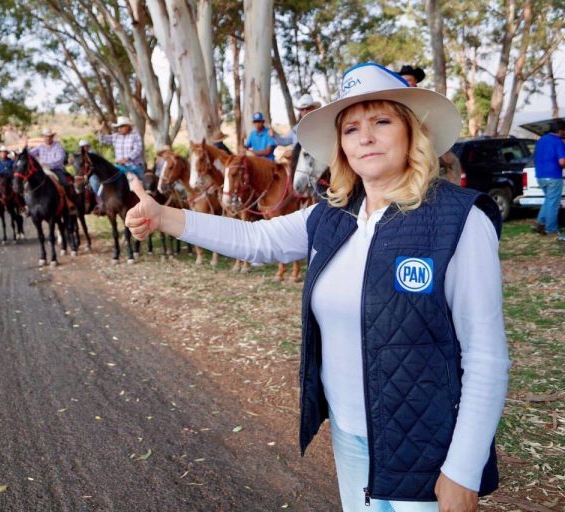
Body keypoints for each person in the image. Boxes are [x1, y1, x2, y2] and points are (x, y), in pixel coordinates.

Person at [125, 62, 510, 511]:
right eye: (351, 129)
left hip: (424, 447)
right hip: (348, 437)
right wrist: (164, 217)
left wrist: (462, 469)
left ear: (411, 132)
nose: (365, 137)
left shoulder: (459, 220)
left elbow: (485, 355)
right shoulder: (331, 215)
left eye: (381, 121)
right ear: (341, 146)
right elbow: (256, 239)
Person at [93, 115, 145, 199]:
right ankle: (101, 201)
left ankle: (143, 200)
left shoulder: (135, 136)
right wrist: (100, 131)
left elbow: (138, 149)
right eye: (118, 127)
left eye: (121, 126)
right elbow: (103, 140)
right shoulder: (116, 136)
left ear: (128, 126)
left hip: (133, 166)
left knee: (143, 183)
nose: (119, 129)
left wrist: (127, 158)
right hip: (119, 167)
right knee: (107, 179)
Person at [532, 119, 565, 237]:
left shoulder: (541, 140)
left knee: (549, 200)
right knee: (553, 204)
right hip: (554, 176)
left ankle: (540, 223)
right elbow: (562, 162)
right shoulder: (558, 142)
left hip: (540, 175)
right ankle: (551, 230)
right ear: (560, 131)